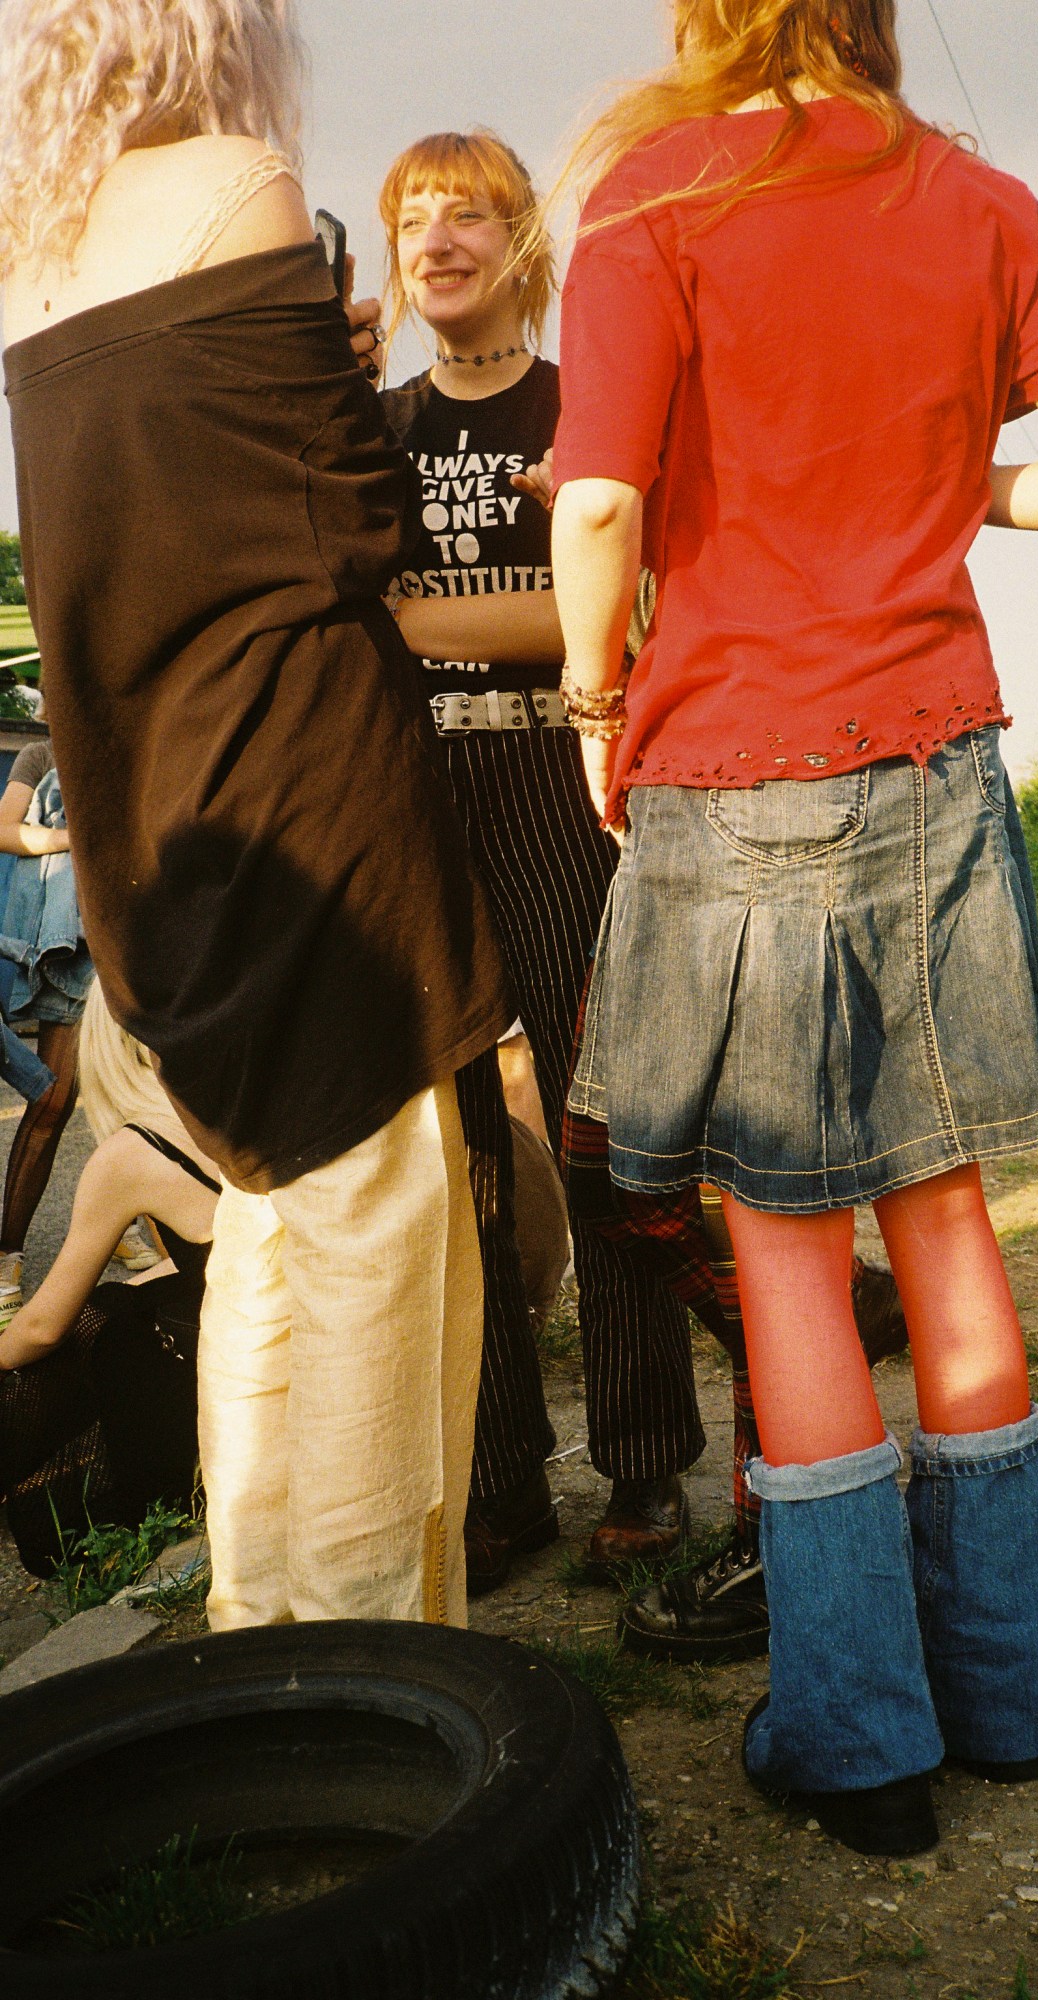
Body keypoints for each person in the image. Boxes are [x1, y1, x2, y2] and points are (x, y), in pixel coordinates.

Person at [549, 0, 1038, 1855]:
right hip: (938, 768)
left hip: (734, 769)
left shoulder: (653, 194)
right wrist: (964, 489)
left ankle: (855, 1747)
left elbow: (595, 496)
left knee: (777, 1246)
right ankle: (1008, 1700)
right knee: (945, 1216)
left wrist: (596, 702)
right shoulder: (975, 199)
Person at [0, 0, 511, 1630]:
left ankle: (263, 1651)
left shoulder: (35, 253)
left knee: (271, 1243)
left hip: (161, 834)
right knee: (377, 1252)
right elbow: (357, 526)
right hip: (310, 797)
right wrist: (342, 375)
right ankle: (381, 1705)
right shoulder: (235, 181)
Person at [374, 130, 705, 1587]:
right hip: (407, 803)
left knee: (595, 1125)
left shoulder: (586, 410)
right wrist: (517, 604)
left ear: (523, 248)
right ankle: (501, 1475)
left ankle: (644, 1470)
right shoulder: (369, 434)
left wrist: (417, 619)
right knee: (457, 1162)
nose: (436, 241)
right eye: (412, 221)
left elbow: (621, 611)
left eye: (468, 215)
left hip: (563, 782)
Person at [0, 982, 218, 1574]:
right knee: (113, 1303)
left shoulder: (134, 1150)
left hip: (222, 1388)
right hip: (280, 1341)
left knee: (80, 1337)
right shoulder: (235, 1102)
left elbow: (43, 1327)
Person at [0, 736, 92, 1324]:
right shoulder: (41, 754)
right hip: (70, 948)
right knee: (54, 1099)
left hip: (137, 946)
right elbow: (6, 829)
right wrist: (72, 838)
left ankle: (135, 1225)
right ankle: (7, 1253)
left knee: (143, 1101)